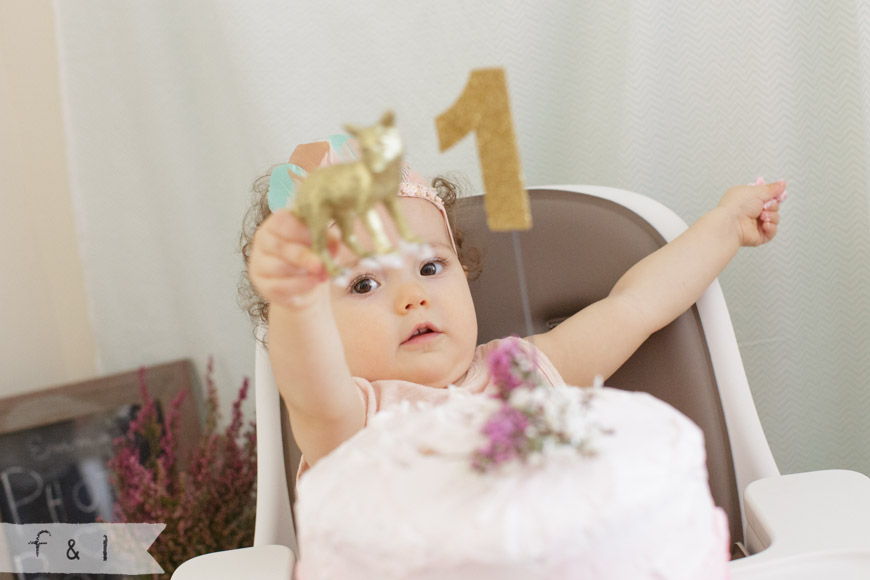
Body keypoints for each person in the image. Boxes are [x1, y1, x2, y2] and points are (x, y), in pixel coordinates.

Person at [241, 136, 786, 474]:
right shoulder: (350, 419)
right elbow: (308, 385)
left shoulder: (520, 371)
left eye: (431, 267)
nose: (414, 297)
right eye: (363, 284)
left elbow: (635, 306)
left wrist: (725, 226)